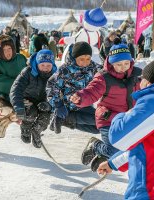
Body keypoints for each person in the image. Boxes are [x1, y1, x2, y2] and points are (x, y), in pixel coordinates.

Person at [70, 41, 142, 169]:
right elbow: (92, 91)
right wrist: (80, 97)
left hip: (129, 119)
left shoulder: (138, 74)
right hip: (108, 119)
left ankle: (104, 156)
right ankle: (96, 146)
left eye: (126, 63)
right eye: (118, 64)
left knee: (134, 150)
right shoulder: (104, 77)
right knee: (116, 152)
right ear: (111, 63)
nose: (123, 67)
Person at [97, 61, 154, 200]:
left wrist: (123, 114)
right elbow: (143, 145)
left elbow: (119, 137)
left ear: (147, 81)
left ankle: (97, 147)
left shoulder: (150, 102)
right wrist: (113, 163)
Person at [47, 42, 101, 134]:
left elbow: (105, 73)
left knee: (99, 128)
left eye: (88, 59)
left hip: (84, 104)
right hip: (68, 106)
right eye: (81, 59)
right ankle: (63, 116)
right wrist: (58, 105)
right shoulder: (65, 69)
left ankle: (65, 120)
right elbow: (51, 86)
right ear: (75, 57)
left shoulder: (93, 67)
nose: (85, 62)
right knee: (99, 121)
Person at [10, 49, 57, 148]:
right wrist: (18, 106)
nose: (45, 68)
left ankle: (36, 131)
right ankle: (26, 128)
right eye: (42, 65)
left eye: (48, 65)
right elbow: (16, 89)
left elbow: (59, 94)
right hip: (26, 99)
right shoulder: (28, 72)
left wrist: (49, 104)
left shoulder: (56, 75)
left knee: (46, 116)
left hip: (43, 101)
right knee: (31, 112)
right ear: (37, 63)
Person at [0, 34, 27, 138]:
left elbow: (27, 74)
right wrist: (17, 85)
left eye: (10, 48)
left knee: (21, 112)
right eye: (4, 49)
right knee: (5, 108)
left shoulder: (20, 59)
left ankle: (6, 122)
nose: (8, 52)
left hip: (18, 95)